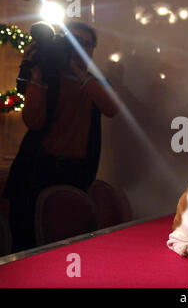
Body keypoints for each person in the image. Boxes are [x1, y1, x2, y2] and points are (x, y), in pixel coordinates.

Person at [3, 21, 119, 253]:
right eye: (72, 41)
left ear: (92, 50)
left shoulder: (94, 83)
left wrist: (78, 71)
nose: (78, 47)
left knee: (70, 238)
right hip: (39, 169)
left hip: (78, 171)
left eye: (85, 43)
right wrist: (36, 73)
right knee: (29, 239)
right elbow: (33, 121)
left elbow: (112, 108)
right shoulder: (49, 77)